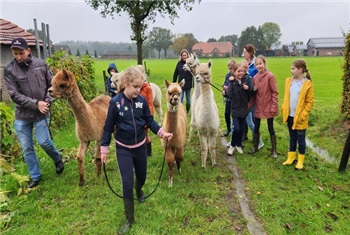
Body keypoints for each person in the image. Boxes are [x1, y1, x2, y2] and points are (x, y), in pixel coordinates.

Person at [100, 66, 173, 235]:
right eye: (135, 87)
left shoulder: (141, 101)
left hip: (140, 147)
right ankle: (129, 219)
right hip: (123, 149)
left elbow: (150, 120)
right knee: (126, 183)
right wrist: (104, 149)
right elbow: (107, 127)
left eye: (140, 87)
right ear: (125, 83)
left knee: (141, 177)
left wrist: (161, 132)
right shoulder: (115, 103)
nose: (138, 90)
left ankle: (139, 189)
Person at [3, 38, 64, 188]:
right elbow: (14, 95)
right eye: (15, 53)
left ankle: (57, 159)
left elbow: (53, 86)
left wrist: (47, 102)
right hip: (22, 115)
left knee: (44, 141)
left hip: (42, 113)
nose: (18, 57)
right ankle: (35, 176)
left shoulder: (40, 64)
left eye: (21, 53)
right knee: (27, 147)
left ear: (28, 51)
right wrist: (36, 104)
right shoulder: (9, 70)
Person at [281, 60, 314, 170]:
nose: (291, 71)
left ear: (300, 70)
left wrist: (303, 115)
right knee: (292, 138)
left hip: (300, 118)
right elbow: (286, 97)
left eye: (293, 69)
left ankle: (300, 161)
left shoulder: (307, 85)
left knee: (301, 139)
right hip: (290, 116)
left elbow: (310, 102)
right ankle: (291, 158)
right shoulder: (289, 82)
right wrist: (283, 109)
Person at [248, 55, 279, 157]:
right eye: (257, 64)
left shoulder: (270, 76)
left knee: (271, 127)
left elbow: (275, 92)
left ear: (264, 64)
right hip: (258, 106)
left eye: (260, 64)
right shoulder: (255, 78)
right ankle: (256, 146)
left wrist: (274, 106)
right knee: (256, 127)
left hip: (268, 106)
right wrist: (249, 105)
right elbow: (253, 95)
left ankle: (274, 150)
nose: (258, 66)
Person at [223, 63, 252, 155]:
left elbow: (251, 92)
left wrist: (248, 89)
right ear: (234, 72)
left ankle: (238, 145)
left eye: (242, 71)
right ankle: (232, 145)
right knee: (236, 129)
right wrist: (224, 93)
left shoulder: (246, 80)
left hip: (244, 108)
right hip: (235, 109)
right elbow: (228, 93)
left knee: (242, 129)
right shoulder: (232, 82)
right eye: (238, 71)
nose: (240, 73)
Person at [242, 44, 264, 149]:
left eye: (245, 52)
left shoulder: (256, 64)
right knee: (247, 119)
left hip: (253, 95)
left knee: (252, 120)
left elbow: (259, 77)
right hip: (245, 96)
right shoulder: (244, 63)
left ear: (250, 53)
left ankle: (258, 139)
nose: (243, 54)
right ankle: (245, 135)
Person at [135, 65, 154, 157]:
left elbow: (150, 103)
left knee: (145, 136)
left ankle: (148, 152)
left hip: (145, 115)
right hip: (136, 116)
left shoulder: (147, 88)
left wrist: (149, 118)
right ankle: (140, 152)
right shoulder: (134, 87)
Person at [172, 49, 193, 114]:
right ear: (181, 56)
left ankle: (187, 111)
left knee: (188, 100)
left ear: (187, 56)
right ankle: (180, 111)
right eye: (183, 55)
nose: (184, 57)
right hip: (180, 85)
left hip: (188, 84)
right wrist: (173, 83)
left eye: (185, 55)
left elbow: (194, 74)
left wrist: (194, 84)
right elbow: (175, 74)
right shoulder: (179, 64)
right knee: (180, 99)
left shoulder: (190, 64)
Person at [222, 59, 236, 137]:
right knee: (226, 114)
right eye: (229, 68)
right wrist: (223, 89)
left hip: (235, 99)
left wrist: (228, 88)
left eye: (231, 68)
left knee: (234, 116)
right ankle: (228, 129)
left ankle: (237, 131)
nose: (230, 70)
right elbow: (224, 84)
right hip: (228, 98)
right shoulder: (227, 75)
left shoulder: (237, 75)